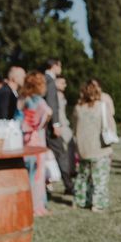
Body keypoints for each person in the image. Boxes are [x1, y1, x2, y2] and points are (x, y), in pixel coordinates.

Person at [72, 79, 116, 212]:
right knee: (100, 178)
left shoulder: (78, 108)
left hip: (83, 148)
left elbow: (74, 127)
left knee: (83, 177)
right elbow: (111, 126)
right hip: (100, 149)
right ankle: (98, 203)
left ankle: (80, 200)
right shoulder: (102, 106)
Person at [20, 72, 52, 217]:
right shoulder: (39, 101)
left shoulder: (23, 99)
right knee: (37, 174)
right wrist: (40, 126)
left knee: (27, 173)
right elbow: (48, 112)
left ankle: (25, 203)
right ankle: (36, 205)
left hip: (24, 139)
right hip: (36, 139)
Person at [43, 59, 73, 195]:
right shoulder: (49, 81)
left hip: (46, 126)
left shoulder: (46, 79)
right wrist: (55, 124)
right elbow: (51, 105)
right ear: (54, 66)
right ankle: (69, 185)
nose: (60, 68)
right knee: (61, 154)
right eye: (59, 65)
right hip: (51, 127)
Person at [55, 75, 76, 183]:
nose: (65, 85)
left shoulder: (60, 95)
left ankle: (70, 174)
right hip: (61, 127)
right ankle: (67, 176)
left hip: (64, 126)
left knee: (70, 150)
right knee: (65, 153)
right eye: (62, 83)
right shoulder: (56, 96)